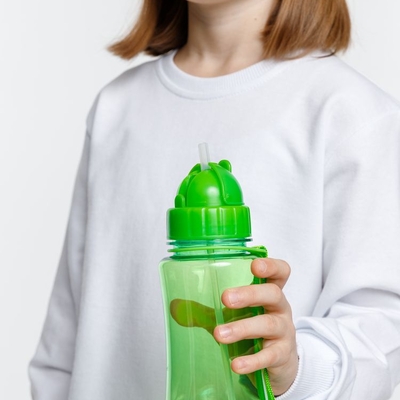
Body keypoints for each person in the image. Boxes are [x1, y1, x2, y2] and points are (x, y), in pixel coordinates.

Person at [29, 0, 400, 398]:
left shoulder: (349, 112)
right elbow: (64, 348)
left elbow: (380, 337)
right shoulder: (116, 107)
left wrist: (296, 367)